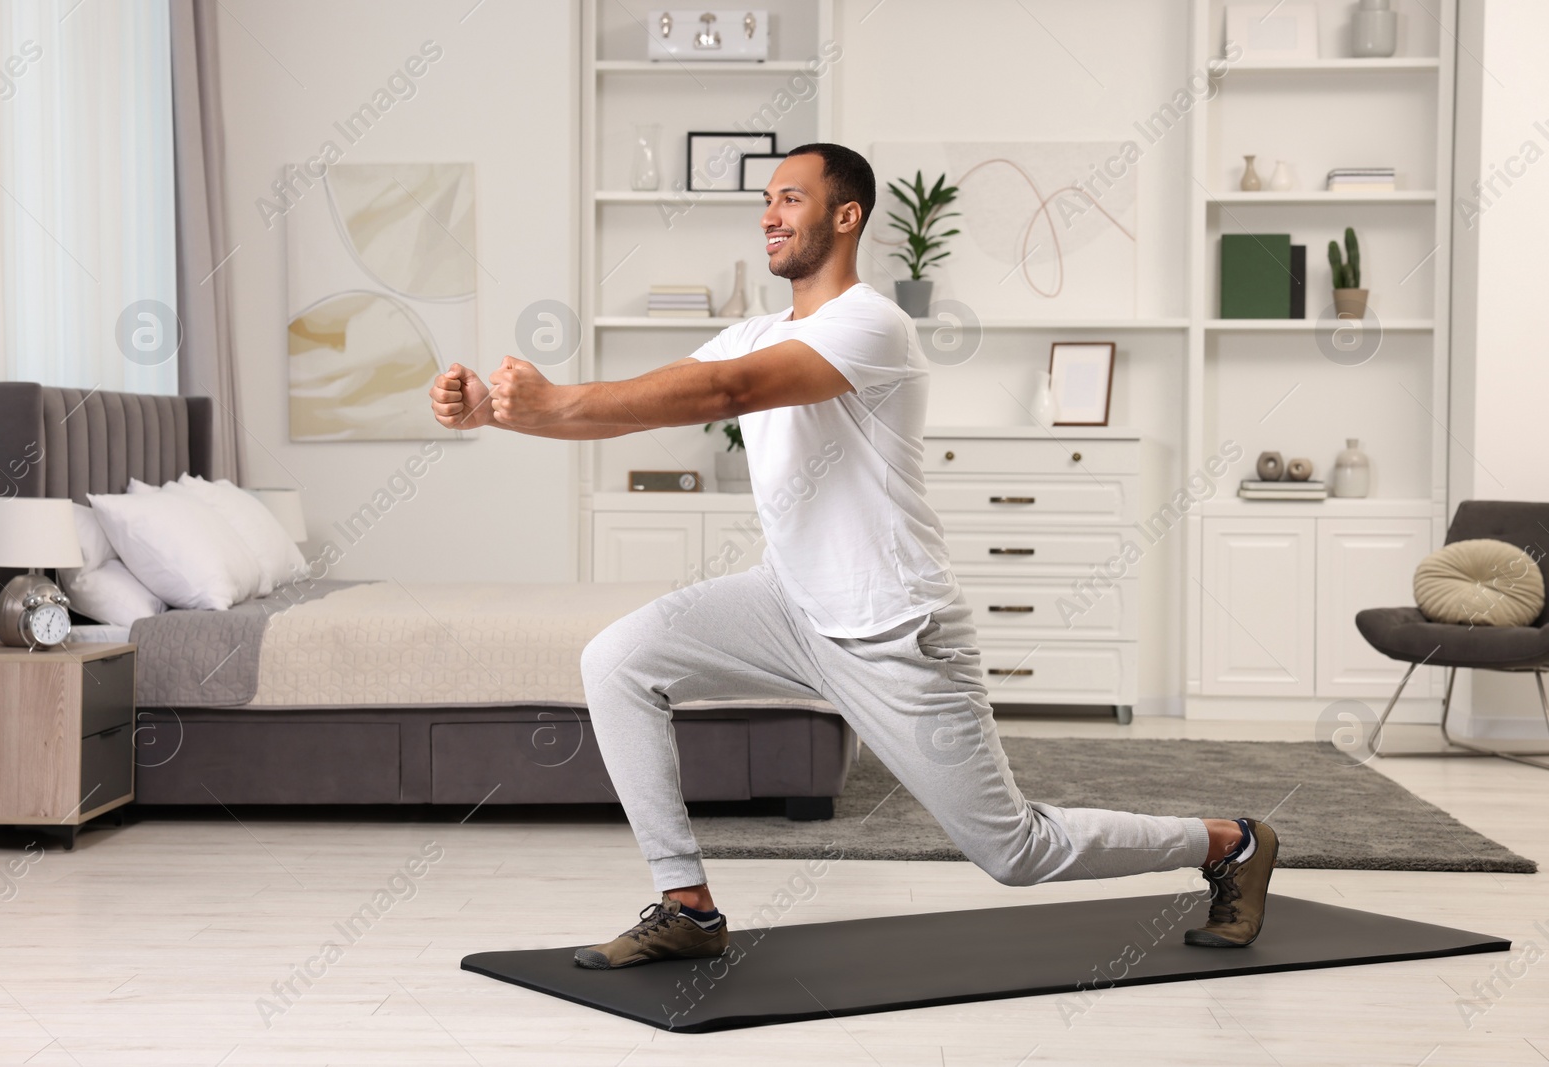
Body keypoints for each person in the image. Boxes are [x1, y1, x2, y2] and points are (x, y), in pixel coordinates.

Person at [429, 143, 1279, 971]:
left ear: (847, 214)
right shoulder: (754, 330)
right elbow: (634, 412)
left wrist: (556, 396)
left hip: (894, 626)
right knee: (615, 660)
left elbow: (732, 392)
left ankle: (1230, 842)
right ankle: (686, 905)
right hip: (788, 603)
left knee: (1015, 850)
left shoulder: (873, 323)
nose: (769, 214)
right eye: (764, 200)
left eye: (789, 198)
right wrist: (502, 416)